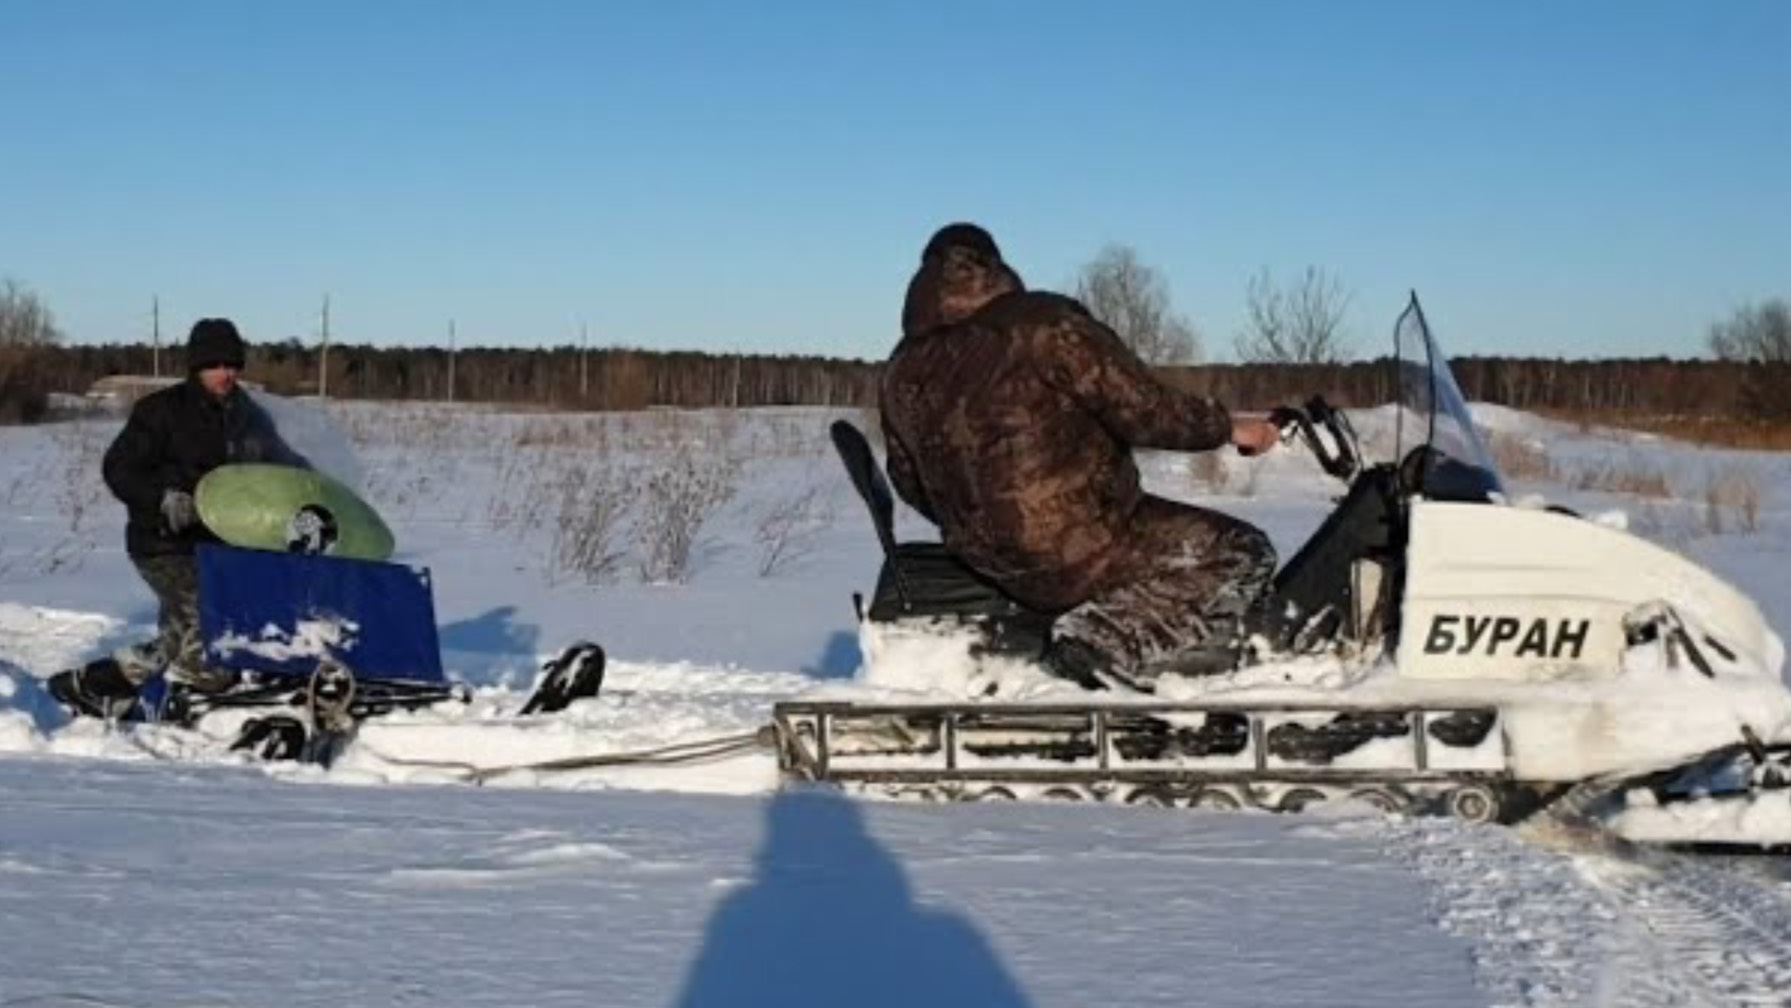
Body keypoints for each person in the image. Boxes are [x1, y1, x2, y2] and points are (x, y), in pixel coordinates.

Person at [879, 223, 1281, 691]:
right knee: (1242, 550)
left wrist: (980, 523)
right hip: (1085, 544)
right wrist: (1231, 427)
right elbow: (1144, 409)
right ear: (993, 266)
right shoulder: (1044, 325)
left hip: (989, 560)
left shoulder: (900, 369)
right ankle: (1099, 640)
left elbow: (908, 480)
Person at [50, 318, 306, 716]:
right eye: (215, 365)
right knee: (206, 626)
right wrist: (162, 498)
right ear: (196, 366)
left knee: (176, 637)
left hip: (222, 545)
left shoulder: (249, 416)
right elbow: (119, 469)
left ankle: (93, 686)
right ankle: (193, 704)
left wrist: (318, 490)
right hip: (164, 543)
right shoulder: (160, 412)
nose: (225, 373)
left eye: (232, 364)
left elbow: (285, 463)